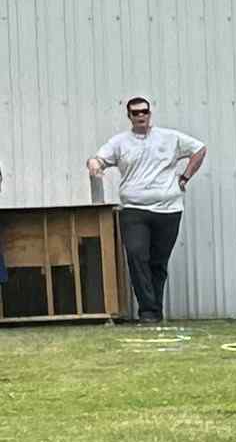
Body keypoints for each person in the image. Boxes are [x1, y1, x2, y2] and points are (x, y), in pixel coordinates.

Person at [85, 96, 208, 322]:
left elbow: (199, 149)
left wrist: (185, 177)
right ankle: (148, 311)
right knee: (136, 255)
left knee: (158, 262)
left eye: (144, 112)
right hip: (134, 210)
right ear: (129, 116)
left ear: (150, 114)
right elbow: (98, 159)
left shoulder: (170, 137)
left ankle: (154, 312)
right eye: (135, 113)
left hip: (168, 210)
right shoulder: (120, 142)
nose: (140, 116)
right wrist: (94, 165)